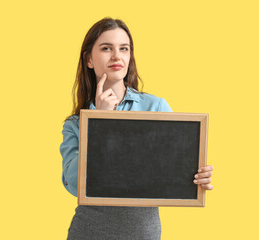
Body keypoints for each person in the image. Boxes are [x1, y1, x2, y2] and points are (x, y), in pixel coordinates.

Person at [60, 17, 214, 240]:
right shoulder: (74, 125)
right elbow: (74, 185)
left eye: (124, 48)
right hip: (88, 232)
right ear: (89, 60)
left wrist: (197, 177)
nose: (116, 56)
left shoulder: (156, 107)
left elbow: (174, 169)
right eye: (106, 48)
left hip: (144, 234)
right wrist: (100, 122)